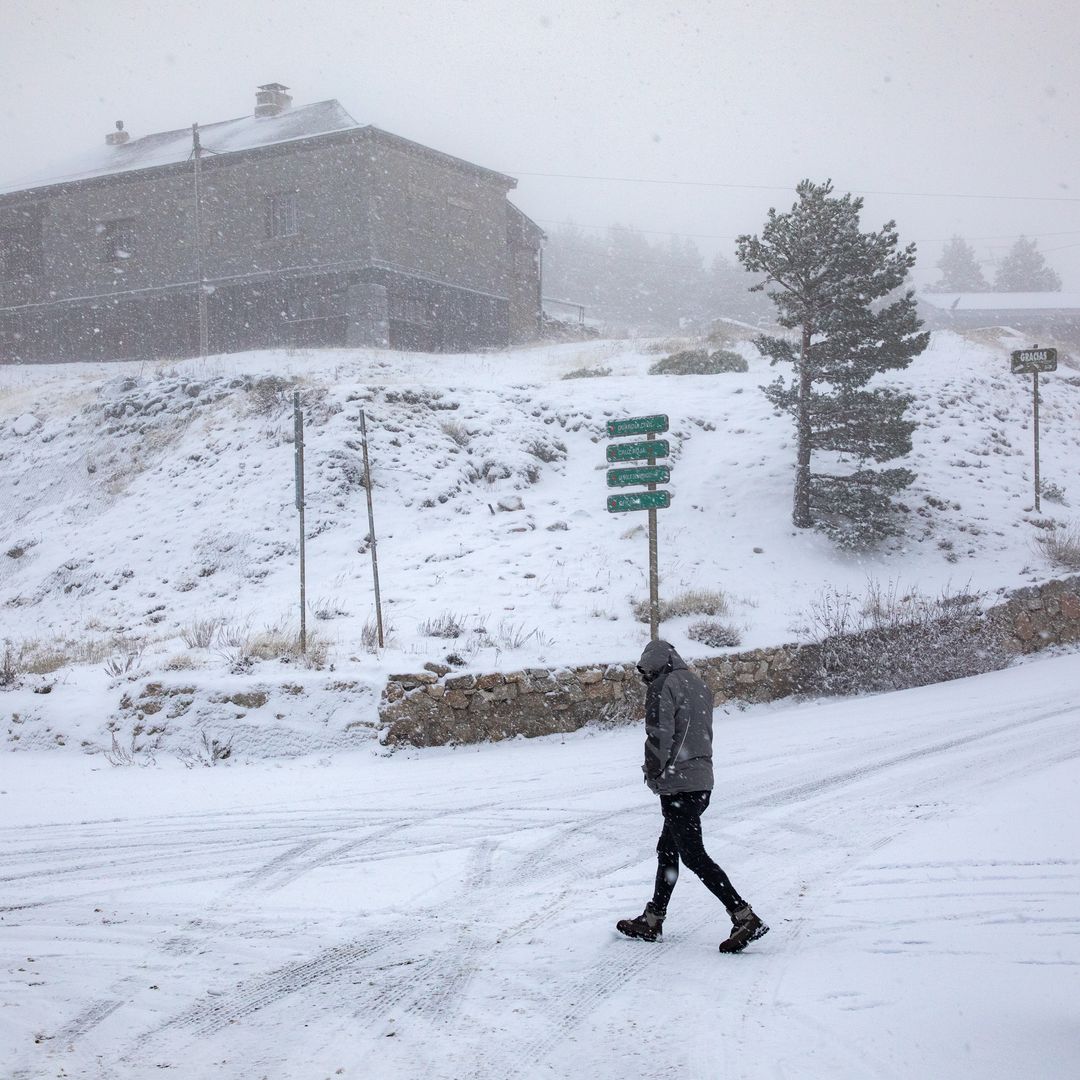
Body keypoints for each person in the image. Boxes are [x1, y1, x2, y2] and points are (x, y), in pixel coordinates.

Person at [616, 639, 768, 954]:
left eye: (646, 672)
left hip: (678, 783)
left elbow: (659, 733)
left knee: (693, 855)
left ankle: (743, 915)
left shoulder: (662, 685)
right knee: (668, 849)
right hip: (701, 782)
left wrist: (653, 771)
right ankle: (653, 918)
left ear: (654, 664)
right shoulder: (697, 684)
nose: (646, 678)